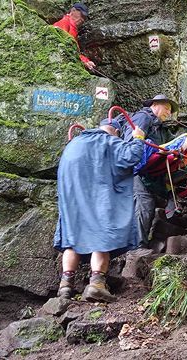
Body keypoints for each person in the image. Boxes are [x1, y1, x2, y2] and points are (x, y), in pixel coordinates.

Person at [53, 119, 145, 302]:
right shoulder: (109, 141)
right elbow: (131, 156)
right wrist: (138, 139)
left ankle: (65, 287)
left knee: (72, 239)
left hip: (72, 201)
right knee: (101, 237)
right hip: (98, 200)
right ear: (115, 132)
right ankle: (96, 284)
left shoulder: (74, 144)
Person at [117, 94, 178, 276]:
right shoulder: (144, 117)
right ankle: (137, 246)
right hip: (137, 170)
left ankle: (143, 241)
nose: (169, 112)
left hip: (151, 172)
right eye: (167, 108)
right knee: (144, 205)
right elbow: (133, 140)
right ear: (156, 105)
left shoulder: (161, 127)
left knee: (150, 204)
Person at [53, 2, 96, 70]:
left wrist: (86, 61)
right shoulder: (65, 22)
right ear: (73, 11)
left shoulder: (74, 30)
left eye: (85, 18)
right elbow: (60, 46)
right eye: (81, 15)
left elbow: (74, 51)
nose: (83, 20)